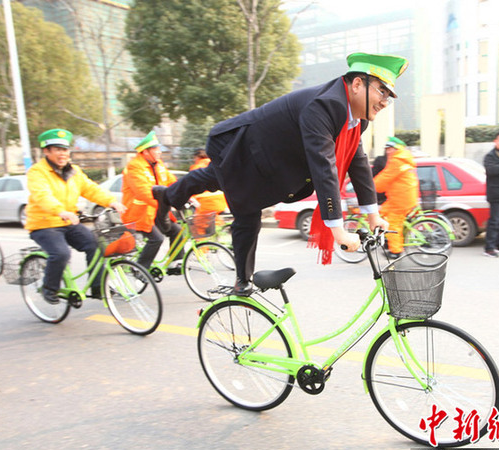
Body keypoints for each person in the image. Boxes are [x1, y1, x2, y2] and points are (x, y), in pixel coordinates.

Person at [157, 52, 407, 294]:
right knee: (247, 211)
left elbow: (358, 162)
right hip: (241, 149)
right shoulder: (324, 105)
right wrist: (338, 230)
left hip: (269, 160)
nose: (385, 101)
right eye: (381, 91)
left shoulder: (356, 118)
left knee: (211, 178)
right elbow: (324, 166)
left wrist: (373, 215)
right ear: (357, 84)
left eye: (389, 96)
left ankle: (166, 196)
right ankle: (242, 281)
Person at [25, 128, 126, 304]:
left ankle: (97, 286)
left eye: (65, 149)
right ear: (46, 151)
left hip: (68, 222)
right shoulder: (37, 172)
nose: (62, 154)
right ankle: (50, 288)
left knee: (95, 245)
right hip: (44, 224)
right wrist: (60, 211)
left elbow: (91, 189)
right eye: (57, 149)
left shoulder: (74, 171)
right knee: (61, 253)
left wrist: (111, 202)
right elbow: (42, 195)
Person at [122, 131, 184, 271]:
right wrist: (166, 205)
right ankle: (140, 269)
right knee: (156, 239)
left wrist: (186, 195)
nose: (159, 152)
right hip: (139, 213)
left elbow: (172, 182)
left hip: (156, 211)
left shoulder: (159, 165)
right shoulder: (134, 167)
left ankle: (175, 263)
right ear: (145, 152)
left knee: (178, 231)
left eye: (159, 149)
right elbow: (143, 192)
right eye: (155, 149)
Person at [373, 136, 419, 259]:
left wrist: (371, 187)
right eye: (386, 149)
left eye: (390, 148)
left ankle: (396, 251)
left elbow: (385, 177)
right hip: (403, 196)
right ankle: (388, 240)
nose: (387, 151)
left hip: (400, 199)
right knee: (382, 212)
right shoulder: (404, 158)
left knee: (392, 223)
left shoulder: (397, 160)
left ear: (396, 149)